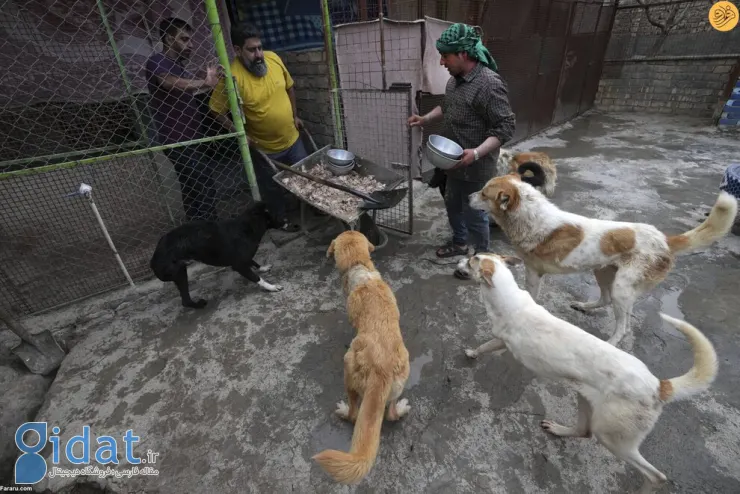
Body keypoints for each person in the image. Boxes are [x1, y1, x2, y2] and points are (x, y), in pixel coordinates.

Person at [408, 23, 515, 279]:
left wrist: (476, 153)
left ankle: (483, 260)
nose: (442, 62)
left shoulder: (489, 84)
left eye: (445, 56)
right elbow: (447, 106)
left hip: (476, 166)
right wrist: (425, 118)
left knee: (476, 213)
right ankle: (459, 242)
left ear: (463, 55)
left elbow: (506, 127)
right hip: (451, 161)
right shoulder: (455, 81)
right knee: (452, 203)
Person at [209, 22, 305, 233]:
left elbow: (290, 87)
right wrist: (240, 135)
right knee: (272, 189)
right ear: (237, 50)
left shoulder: (274, 58)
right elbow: (216, 110)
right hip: (264, 149)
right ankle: (281, 221)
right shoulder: (231, 77)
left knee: (306, 175)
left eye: (260, 47)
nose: (259, 54)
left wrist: (295, 115)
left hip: (292, 137)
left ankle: (315, 208)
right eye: (252, 50)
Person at [146, 17, 222, 222]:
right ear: (169, 39)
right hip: (177, 139)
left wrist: (212, 82)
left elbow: (191, 85)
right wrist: (203, 81)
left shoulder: (177, 66)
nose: (191, 45)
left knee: (192, 187)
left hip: (191, 137)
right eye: (184, 39)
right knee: (204, 184)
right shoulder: (157, 61)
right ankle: (209, 232)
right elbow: (169, 83)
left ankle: (196, 230)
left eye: (191, 40)